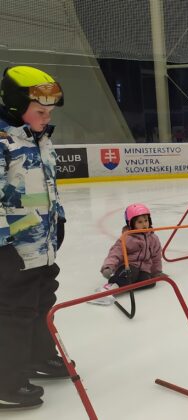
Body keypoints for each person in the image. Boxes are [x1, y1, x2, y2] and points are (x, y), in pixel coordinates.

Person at [0, 66, 68, 410]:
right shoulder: (3, 143)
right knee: (14, 313)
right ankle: (6, 383)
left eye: (50, 112)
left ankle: (39, 357)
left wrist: (59, 220)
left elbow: (48, 189)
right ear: (15, 106)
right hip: (12, 251)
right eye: (40, 111)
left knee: (42, 304)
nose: (46, 117)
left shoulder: (39, 139)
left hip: (41, 247)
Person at [89, 204, 163, 306]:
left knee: (150, 282)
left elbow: (156, 257)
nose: (144, 224)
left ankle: (126, 284)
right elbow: (116, 252)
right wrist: (108, 266)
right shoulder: (128, 238)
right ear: (131, 224)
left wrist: (156, 272)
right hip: (128, 267)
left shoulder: (153, 238)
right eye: (140, 222)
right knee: (131, 273)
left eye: (146, 220)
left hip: (143, 269)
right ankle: (107, 289)